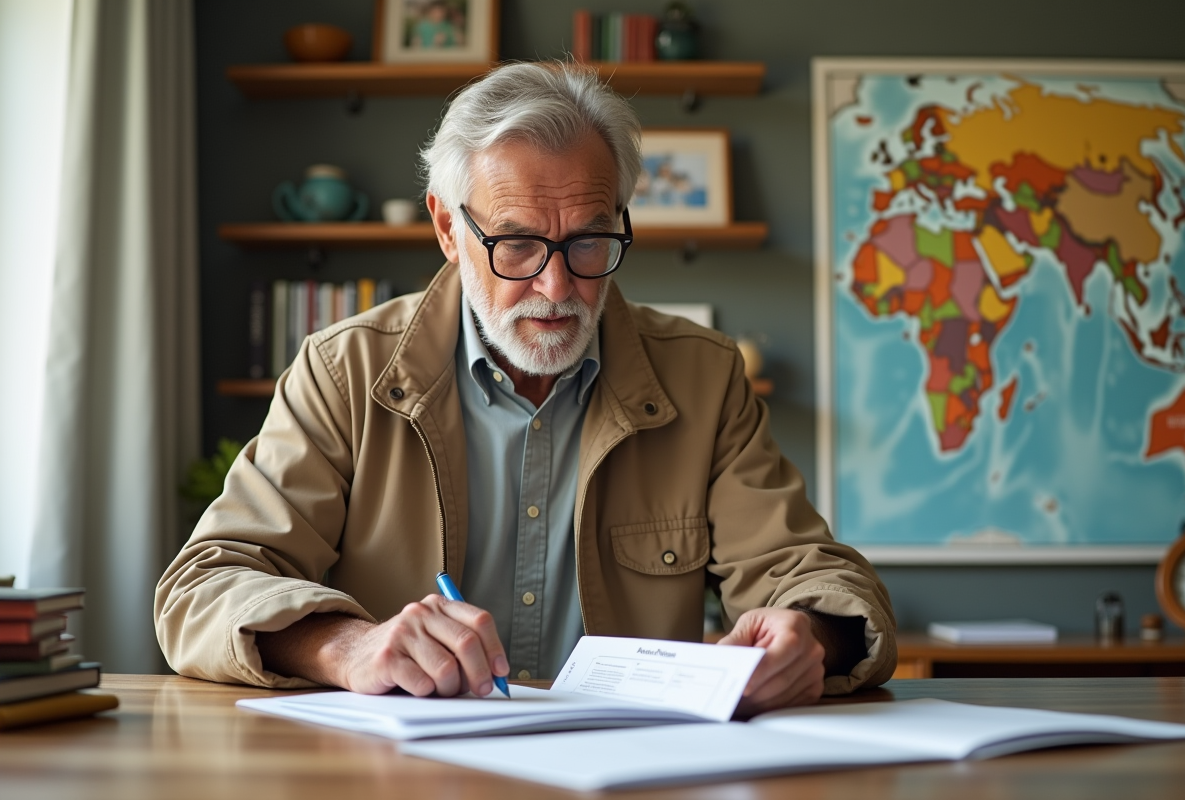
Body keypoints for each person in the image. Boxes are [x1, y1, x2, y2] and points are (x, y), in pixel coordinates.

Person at [154, 62, 896, 714]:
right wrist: (348, 646)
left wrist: (811, 636)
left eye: (588, 242)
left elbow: (810, 572)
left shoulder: (703, 377)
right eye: (516, 244)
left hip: (627, 768)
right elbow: (205, 586)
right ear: (448, 229)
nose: (557, 286)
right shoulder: (344, 371)